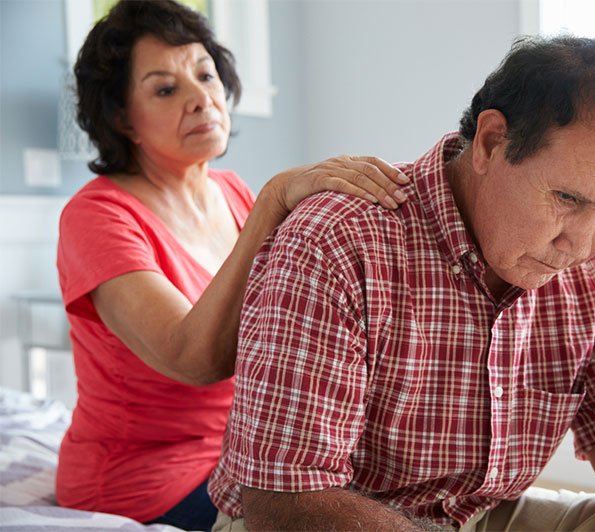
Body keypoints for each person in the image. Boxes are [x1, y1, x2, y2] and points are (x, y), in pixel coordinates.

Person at [208, 36, 595, 531]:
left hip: (481, 512)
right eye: (568, 199)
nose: (579, 244)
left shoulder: (589, 268)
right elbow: (284, 500)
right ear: (491, 142)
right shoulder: (337, 238)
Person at [54, 1, 409, 530]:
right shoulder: (96, 215)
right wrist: (275, 199)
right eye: (166, 88)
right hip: (146, 483)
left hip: (245, 455)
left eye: (205, 74)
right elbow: (193, 359)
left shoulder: (231, 192)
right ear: (123, 117)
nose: (201, 98)